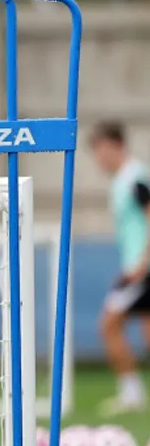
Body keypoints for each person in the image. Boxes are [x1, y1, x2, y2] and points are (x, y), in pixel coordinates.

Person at [89, 120, 149, 415]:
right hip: (136, 266)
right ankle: (133, 393)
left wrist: (142, 262)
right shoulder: (122, 180)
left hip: (142, 270)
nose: (99, 159)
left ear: (116, 145)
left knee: (108, 324)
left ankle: (132, 393)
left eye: (101, 150)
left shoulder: (135, 178)